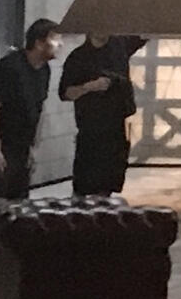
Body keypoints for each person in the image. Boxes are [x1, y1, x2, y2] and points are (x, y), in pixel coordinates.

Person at [0, 19, 61, 200]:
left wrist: (32, 147)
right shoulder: (9, 67)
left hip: (20, 145)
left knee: (19, 202)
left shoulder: (44, 70)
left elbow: (39, 108)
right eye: (55, 39)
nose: (60, 44)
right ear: (39, 43)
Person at [59, 29, 147, 195]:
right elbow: (65, 93)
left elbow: (144, 32)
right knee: (85, 185)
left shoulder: (119, 45)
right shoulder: (78, 57)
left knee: (109, 184)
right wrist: (88, 87)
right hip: (90, 129)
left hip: (116, 127)